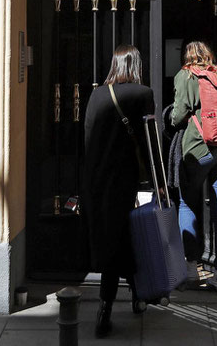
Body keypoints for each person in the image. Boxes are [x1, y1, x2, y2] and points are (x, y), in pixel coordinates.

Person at [83, 44, 155, 338]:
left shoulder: (96, 95)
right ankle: (108, 307)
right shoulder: (142, 94)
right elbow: (149, 141)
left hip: (98, 183)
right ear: (136, 65)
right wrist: (157, 180)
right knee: (129, 238)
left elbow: (87, 138)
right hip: (126, 181)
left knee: (117, 239)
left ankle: (125, 300)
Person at [169, 41, 217, 294]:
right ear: (210, 56)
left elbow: (179, 115)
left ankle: (190, 270)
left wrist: (169, 118)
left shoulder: (186, 75)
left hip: (200, 149)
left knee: (187, 203)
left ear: (187, 57)